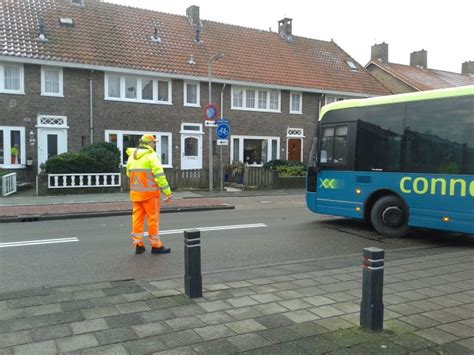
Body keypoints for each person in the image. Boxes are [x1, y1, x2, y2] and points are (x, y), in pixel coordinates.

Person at [126, 134, 172, 254]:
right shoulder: (151, 156)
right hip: (150, 194)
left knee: (137, 219)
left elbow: (128, 174)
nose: (155, 144)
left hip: (136, 193)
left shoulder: (132, 157)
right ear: (149, 143)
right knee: (153, 220)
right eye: (154, 142)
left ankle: (139, 245)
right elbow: (159, 176)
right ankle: (156, 246)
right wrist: (167, 191)